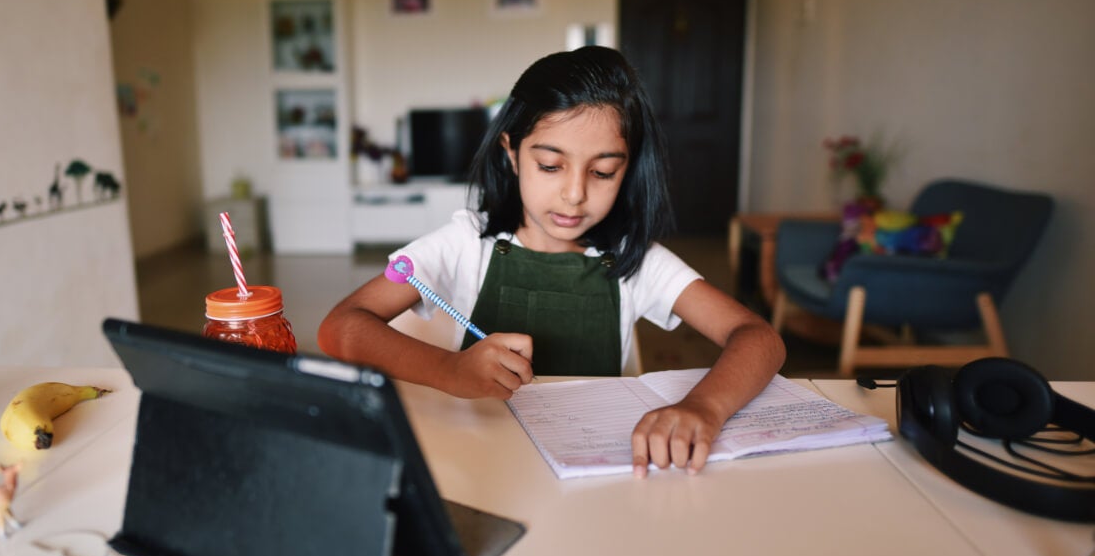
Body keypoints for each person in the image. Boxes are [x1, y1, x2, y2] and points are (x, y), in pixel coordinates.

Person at [318, 46, 785, 475]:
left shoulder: (633, 259)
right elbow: (340, 328)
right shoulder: (465, 243)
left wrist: (704, 407)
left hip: (597, 470)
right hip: (480, 466)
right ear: (512, 153)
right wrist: (451, 371)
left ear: (628, 167)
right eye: (550, 165)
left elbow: (760, 339)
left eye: (603, 171)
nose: (575, 193)